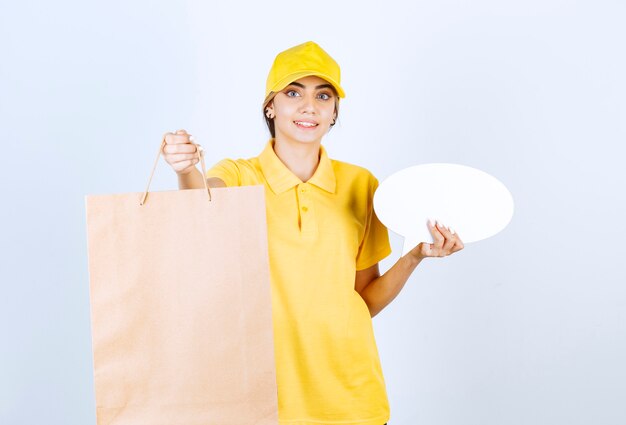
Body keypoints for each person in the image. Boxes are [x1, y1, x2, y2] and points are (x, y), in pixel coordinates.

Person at [162, 41, 464, 425]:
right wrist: (185, 169)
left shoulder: (361, 184)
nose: (309, 106)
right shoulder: (240, 175)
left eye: (323, 95)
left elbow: (364, 301)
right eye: (293, 92)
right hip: (264, 399)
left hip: (351, 397)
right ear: (270, 106)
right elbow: (201, 207)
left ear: (334, 112)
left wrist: (415, 256)